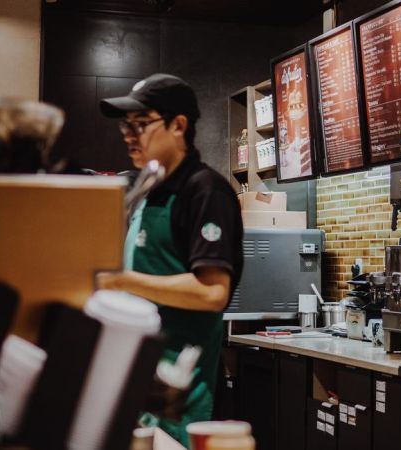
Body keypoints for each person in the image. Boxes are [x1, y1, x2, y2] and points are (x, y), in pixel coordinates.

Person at [94, 73, 243, 446]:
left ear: (179, 125)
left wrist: (120, 281)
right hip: (140, 369)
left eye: (141, 124)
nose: (130, 134)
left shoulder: (205, 190)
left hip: (180, 381)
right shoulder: (149, 188)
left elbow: (212, 293)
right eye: (126, 125)